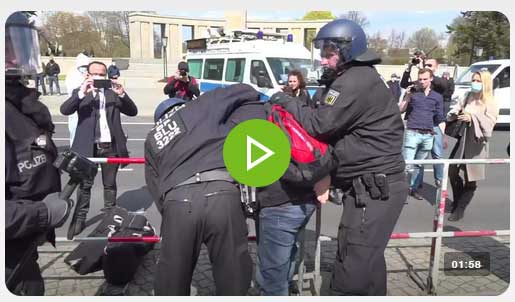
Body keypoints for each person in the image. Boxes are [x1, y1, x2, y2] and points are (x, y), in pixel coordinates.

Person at [269, 19, 408, 295]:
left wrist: (286, 101)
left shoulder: (354, 81)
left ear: (348, 50)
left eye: (329, 53)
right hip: (371, 189)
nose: (323, 60)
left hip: (373, 191)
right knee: (368, 267)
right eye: (322, 52)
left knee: (350, 272)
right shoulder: (359, 77)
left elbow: (320, 124)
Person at [145, 84, 258, 295]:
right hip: (222, 193)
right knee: (233, 272)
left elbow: (154, 185)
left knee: (172, 278)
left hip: (178, 201)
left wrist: (172, 212)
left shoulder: (153, 137)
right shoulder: (199, 107)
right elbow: (244, 90)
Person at [5, 11, 73, 295]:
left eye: (18, 44)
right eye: (6, 45)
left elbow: (27, 157)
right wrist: (42, 214)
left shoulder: (18, 103)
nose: (15, 56)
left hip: (23, 247)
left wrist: (60, 163)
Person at [60, 61, 138, 236]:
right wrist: (81, 93)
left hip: (110, 146)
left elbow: (133, 111)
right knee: (85, 185)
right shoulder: (81, 93)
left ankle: (109, 217)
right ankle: (80, 219)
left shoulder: (113, 94)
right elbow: (65, 110)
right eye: (94, 74)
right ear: (87, 75)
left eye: (102, 74)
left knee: (110, 185)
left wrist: (122, 94)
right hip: (88, 148)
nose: (98, 77)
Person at [447, 70, 498, 221]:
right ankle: (457, 201)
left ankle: (460, 208)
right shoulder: (467, 96)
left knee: (471, 177)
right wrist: (455, 112)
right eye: (473, 80)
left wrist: (472, 117)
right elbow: (457, 109)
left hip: (476, 144)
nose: (474, 83)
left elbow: (489, 126)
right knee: (452, 171)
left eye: (477, 81)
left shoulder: (491, 102)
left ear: (485, 83)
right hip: (462, 140)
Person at [398, 68, 445, 200]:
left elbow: (440, 118)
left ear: (431, 79)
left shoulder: (437, 97)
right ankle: (402, 191)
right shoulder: (413, 93)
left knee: (419, 164)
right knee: (408, 164)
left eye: (425, 79)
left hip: (428, 135)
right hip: (412, 132)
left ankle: (413, 189)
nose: (422, 81)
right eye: (420, 79)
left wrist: (443, 136)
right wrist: (406, 95)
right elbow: (401, 109)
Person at [65, 53, 90, 145]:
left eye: (86, 66)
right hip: (75, 105)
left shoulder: (88, 74)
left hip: (86, 106)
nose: (85, 68)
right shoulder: (73, 74)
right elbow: (73, 90)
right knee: (74, 130)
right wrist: (83, 81)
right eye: (83, 66)